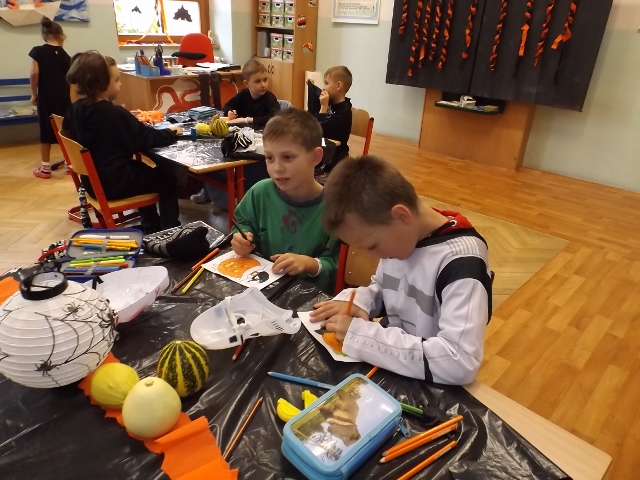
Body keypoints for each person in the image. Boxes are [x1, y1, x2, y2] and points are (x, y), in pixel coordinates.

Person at [310, 156, 492, 385]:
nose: (373, 257)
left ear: (401, 216)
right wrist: (362, 301)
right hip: (392, 367)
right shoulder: (402, 238)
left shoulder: (462, 262)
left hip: (431, 385)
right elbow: (385, 286)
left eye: (372, 246)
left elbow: (459, 361)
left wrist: (362, 338)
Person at [63, 51, 182, 234]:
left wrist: (126, 120)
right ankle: (171, 232)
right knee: (167, 179)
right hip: (113, 183)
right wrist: (171, 132)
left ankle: (150, 225)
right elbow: (147, 138)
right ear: (102, 83)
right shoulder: (114, 114)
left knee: (142, 170)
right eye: (117, 80)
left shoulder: (74, 110)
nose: (120, 84)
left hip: (92, 183)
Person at [231, 109, 340, 293]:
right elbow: (242, 223)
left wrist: (309, 264)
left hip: (307, 300)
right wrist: (241, 238)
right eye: (269, 158)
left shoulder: (335, 210)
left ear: (315, 157)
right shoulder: (259, 193)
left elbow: (339, 266)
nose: (277, 168)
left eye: (288, 157)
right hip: (259, 291)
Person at [191, 59, 281, 208]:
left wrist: (246, 119)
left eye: (265, 80)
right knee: (216, 157)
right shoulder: (244, 95)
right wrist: (230, 113)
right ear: (246, 83)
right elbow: (227, 106)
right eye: (258, 81)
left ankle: (236, 196)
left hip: (259, 142)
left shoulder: (269, 98)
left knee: (246, 166)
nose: (263, 84)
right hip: (241, 137)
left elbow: (275, 117)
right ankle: (210, 191)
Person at [29, 16, 72, 179]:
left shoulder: (37, 51)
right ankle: (69, 164)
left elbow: (34, 73)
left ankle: (45, 168)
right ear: (61, 36)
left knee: (45, 130)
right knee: (65, 130)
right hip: (63, 98)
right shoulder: (66, 56)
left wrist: (34, 93)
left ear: (43, 36)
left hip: (46, 98)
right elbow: (70, 79)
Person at [307, 66, 353, 172]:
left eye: (326, 83)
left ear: (338, 86)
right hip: (324, 151)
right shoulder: (332, 105)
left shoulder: (344, 112)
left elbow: (319, 132)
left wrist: (323, 107)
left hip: (334, 158)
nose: (323, 88)